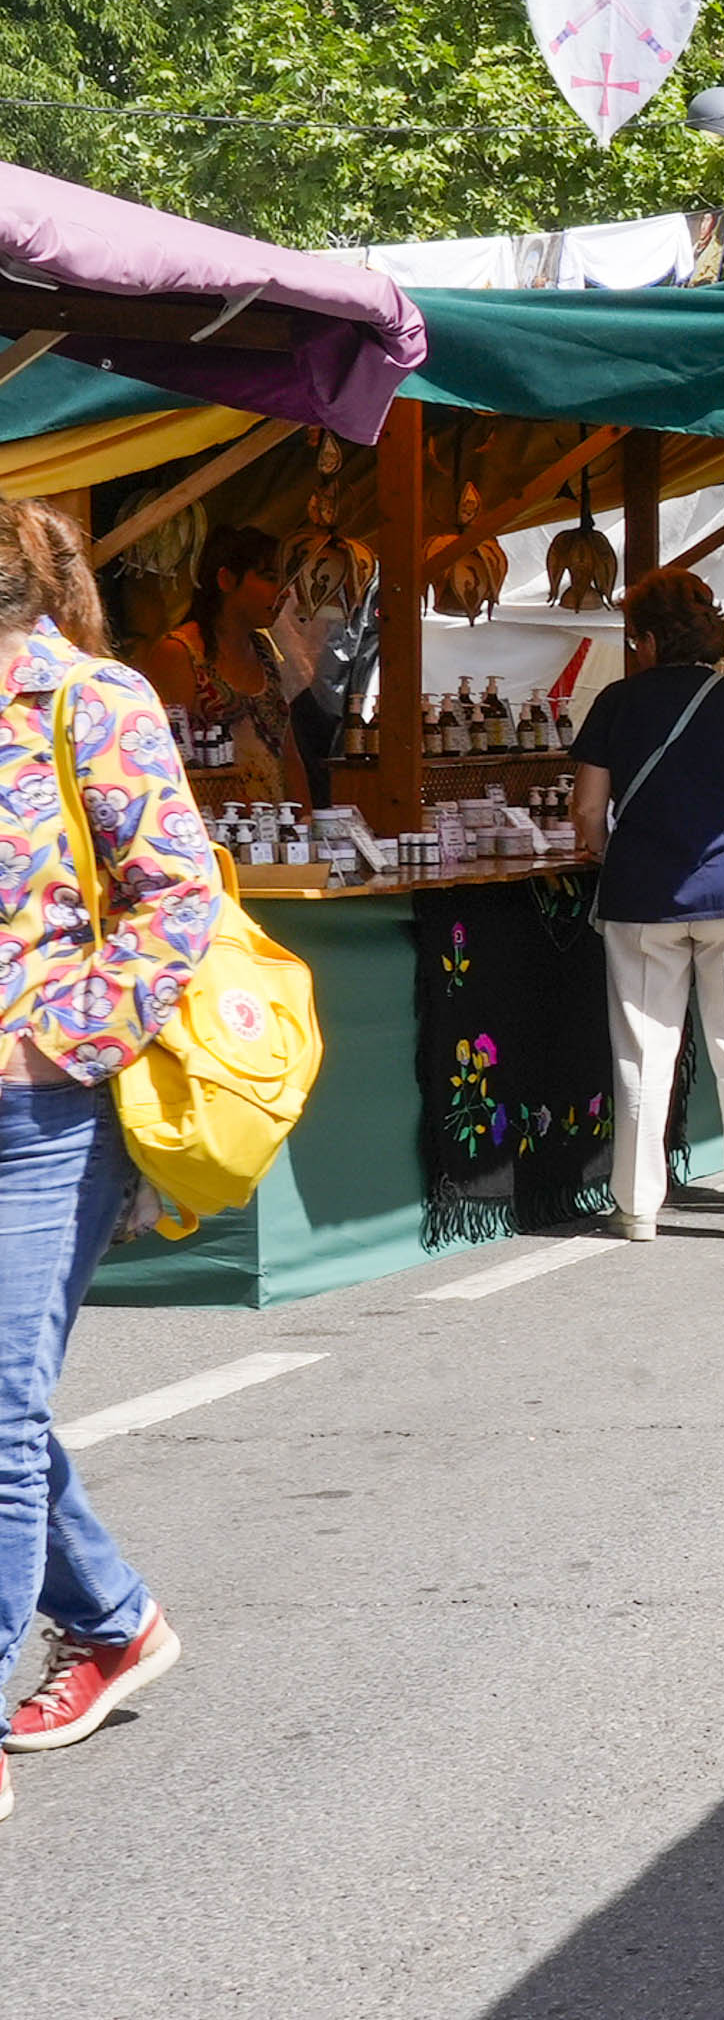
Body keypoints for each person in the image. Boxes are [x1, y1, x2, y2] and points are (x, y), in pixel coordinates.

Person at [0, 500, 219, 1821]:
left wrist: (58, 1039)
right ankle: (114, 1619)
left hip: (37, 1117)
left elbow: (179, 895)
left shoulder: (91, 701)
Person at [572, 568, 724, 1242]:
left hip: (642, 894)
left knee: (643, 1054)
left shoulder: (616, 701)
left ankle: (637, 1206)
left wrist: (606, 850)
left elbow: (587, 809)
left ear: (647, 639)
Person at [136, 523, 294, 805]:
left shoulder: (264, 651)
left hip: (273, 822)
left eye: (286, 581)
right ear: (226, 580)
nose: (285, 592)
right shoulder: (179, 652)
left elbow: (289, 752)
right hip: (209, 819)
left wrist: (304, 816)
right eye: (270, 578)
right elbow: (165, 759)